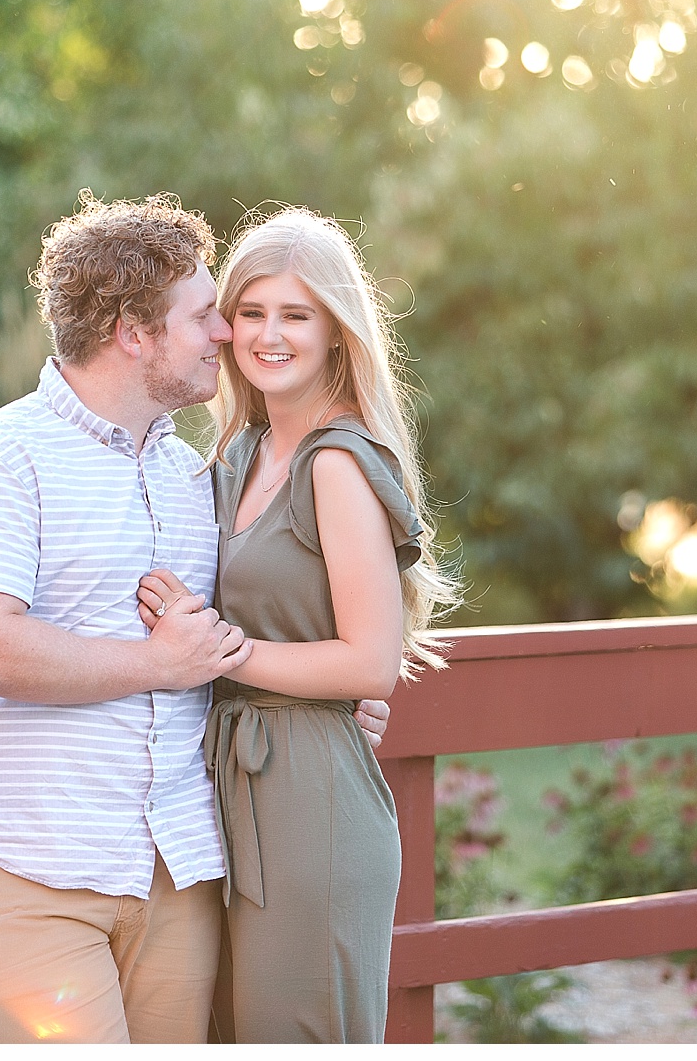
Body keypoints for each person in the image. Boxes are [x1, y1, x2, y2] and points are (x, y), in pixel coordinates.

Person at [0, 192, 388, 1045]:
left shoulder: (193, 474)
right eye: (207, 314)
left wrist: (331, 704)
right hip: (32, 867)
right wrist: (159, 665)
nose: (225, 335)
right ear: (135, 333)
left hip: (179, 868)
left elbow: (272, 618)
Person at [135, 207, 459, 1043]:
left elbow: (368, 666)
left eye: (296, 315)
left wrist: (216, 649)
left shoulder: (338, 463)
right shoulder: (237, 455)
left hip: (310, 802)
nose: (268, 335)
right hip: (228, 791)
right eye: (251, 313)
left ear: (337, 333)